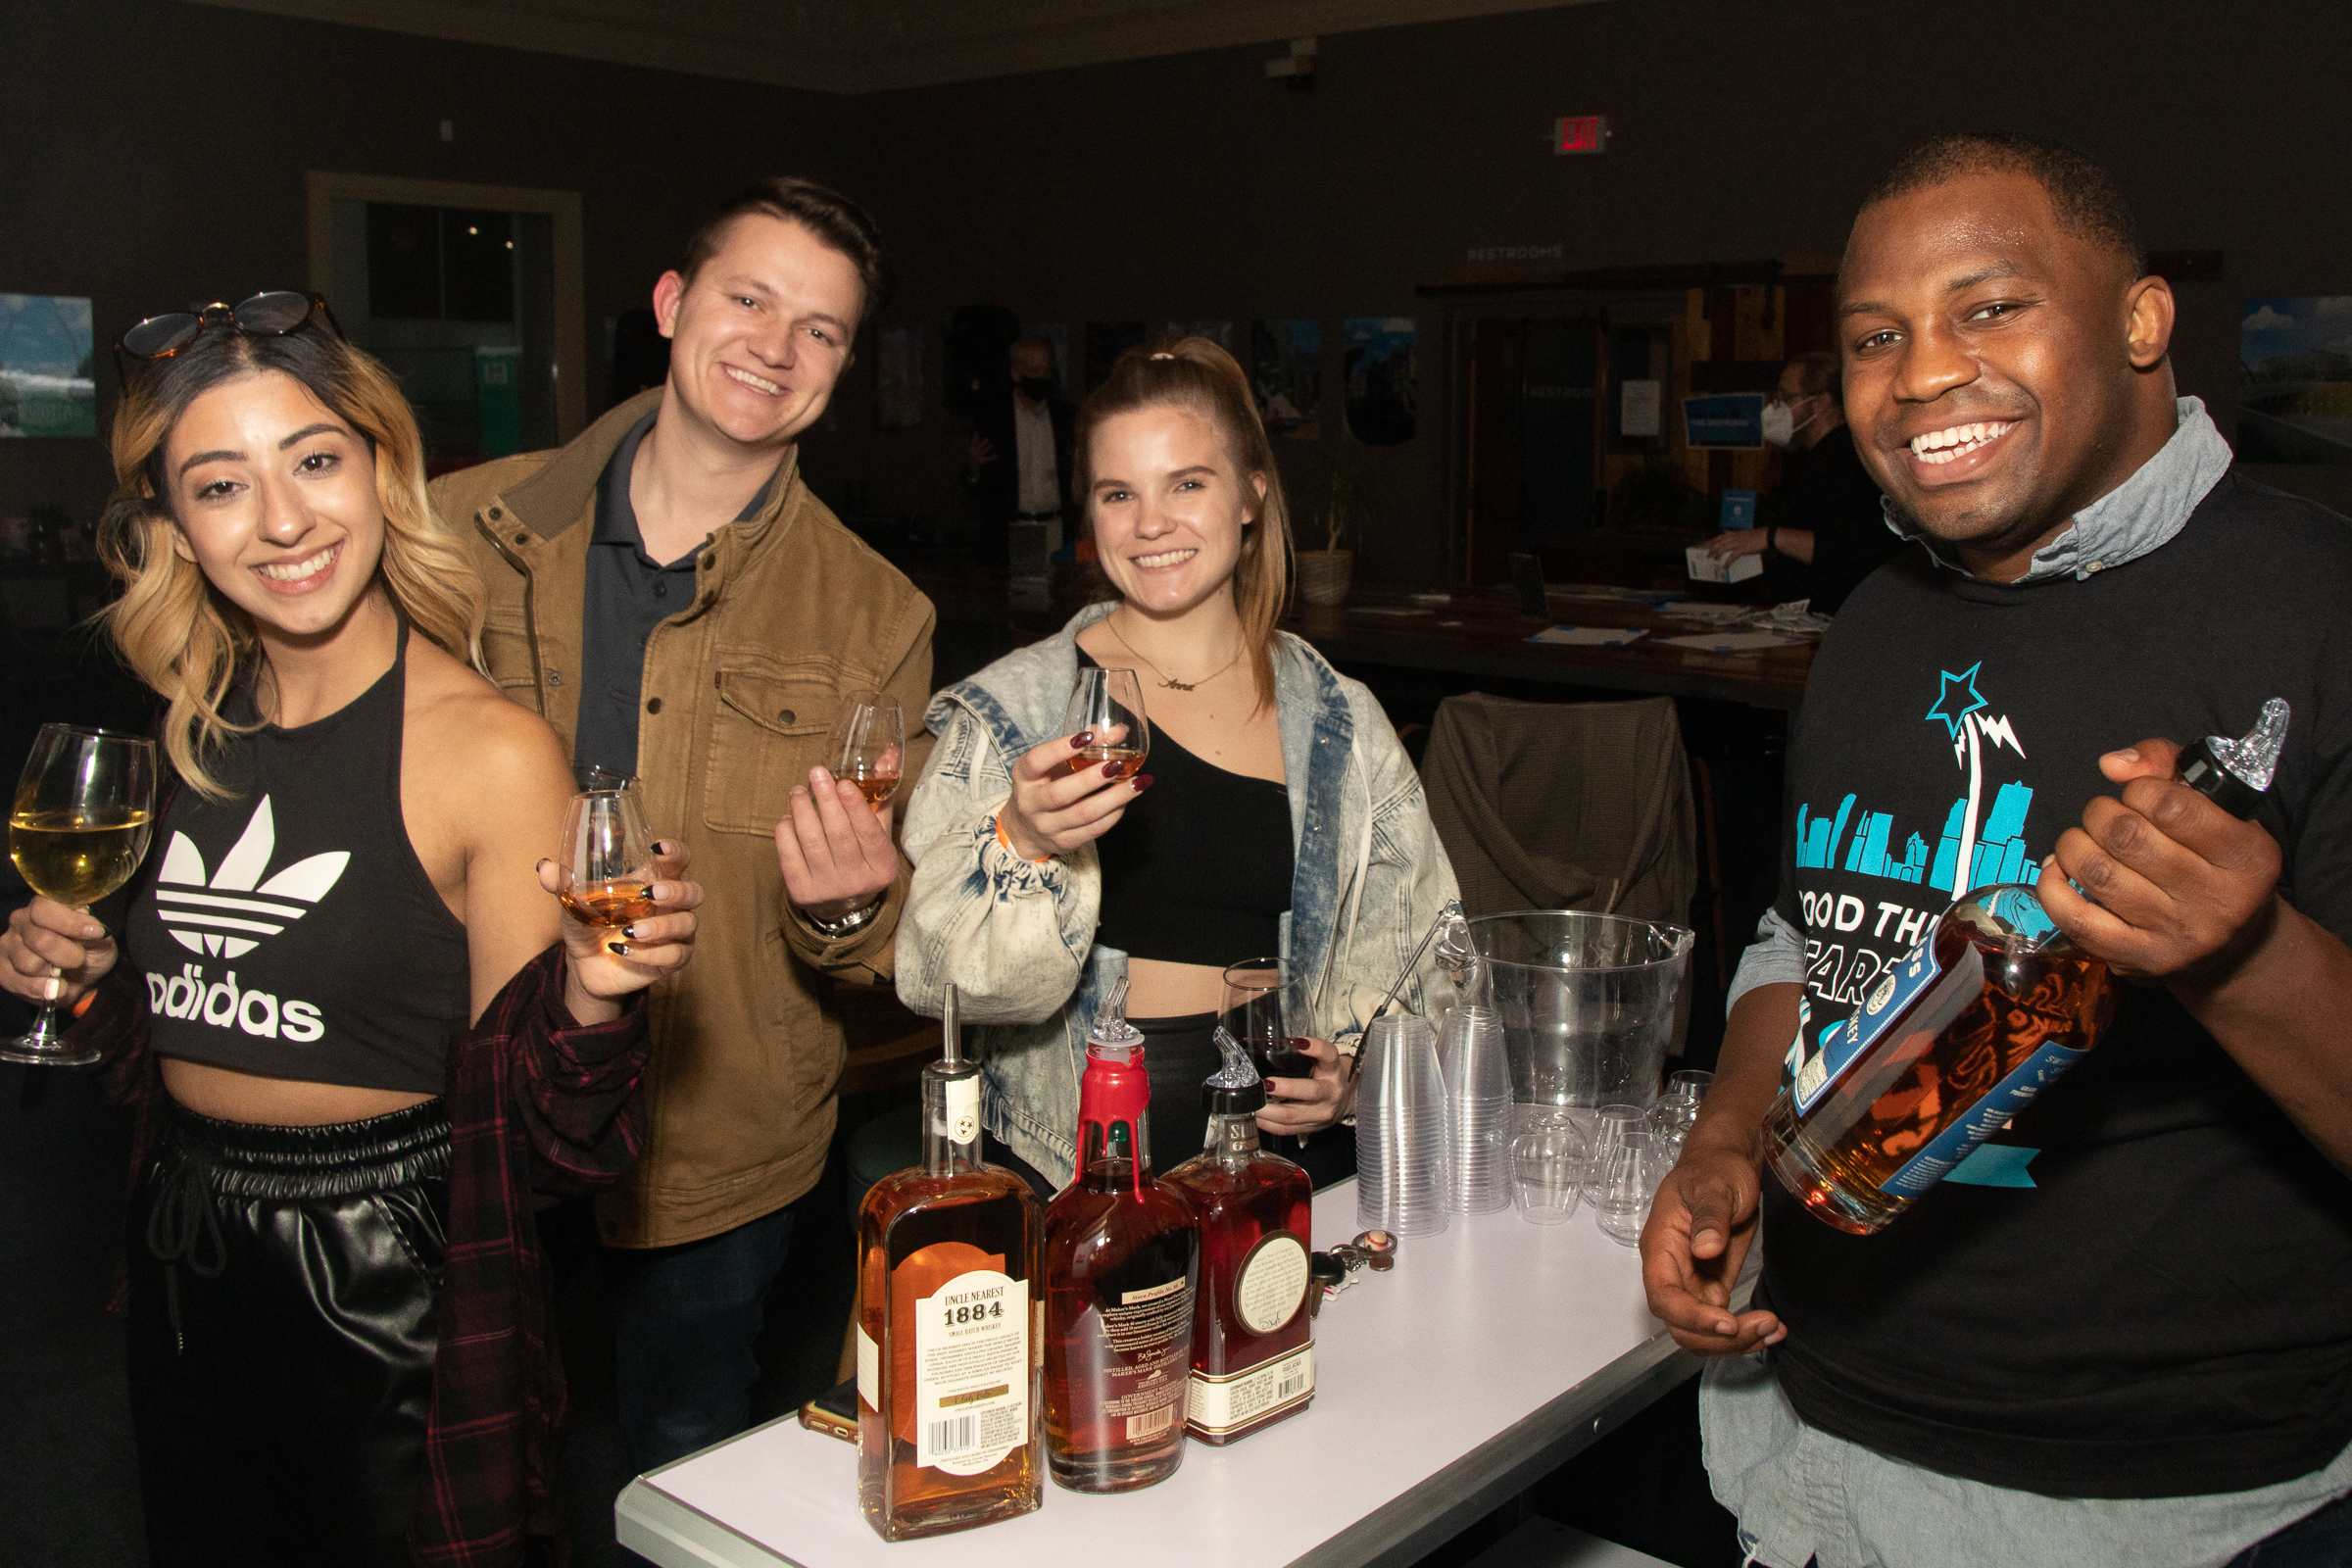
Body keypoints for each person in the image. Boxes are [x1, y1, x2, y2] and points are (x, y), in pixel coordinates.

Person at [1642, 133, 2352, 1567]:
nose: (1919, 376)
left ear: (2143, 321)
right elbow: (1813, 939)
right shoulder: (1880, 621)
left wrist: (2247, 956)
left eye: (1987, 308)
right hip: (1804, 1447)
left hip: (2161, 1513)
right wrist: (1725, 1143)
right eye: (1875, 338)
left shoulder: (2319, 611)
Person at [0, 294, 705, 1564]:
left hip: (389, 1278)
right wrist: (92, 975)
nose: (281, 521)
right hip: (182, 1242)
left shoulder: (490, 752)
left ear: (381, 467)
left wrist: (596, 1001)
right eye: (221, 486)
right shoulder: (182, 725)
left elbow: (549, 1158)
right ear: (171, 525)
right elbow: (207, 1005)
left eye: (315, 461)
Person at [431, 177, 936, 1474]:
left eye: (819, 329)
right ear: (671, 305)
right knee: (460, 1469)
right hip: (466, 1106)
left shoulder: (878, 617)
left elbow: (859, 946)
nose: (776, 346)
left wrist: (853, 899)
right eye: (749, 299)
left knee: (687, 1474)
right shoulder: (452, 536)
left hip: (715, 1143)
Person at [898, 337, 1459, 1191]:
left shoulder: (1337, 719)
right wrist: (1022, 840)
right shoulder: (1013, 714)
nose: (1150, 523)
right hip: (1079, 1150)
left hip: (1283, 1156)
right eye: (1119, 493)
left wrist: (1353, 1079)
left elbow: (1429, 961)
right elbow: (945, 987)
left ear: (1250, 495)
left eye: (1187, 483)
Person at [1703, 350, 1903, 612]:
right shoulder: (1823, 456)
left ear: (1820, 403)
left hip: (1833, 620)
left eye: (1786, 397)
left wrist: (1770, 537)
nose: (1776, 407)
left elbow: (1853, 552)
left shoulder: (1844, 459)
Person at [962, 334, 1077, 566]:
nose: (1042, 377)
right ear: (1016, 373)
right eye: (1035, 371)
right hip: (1010, 532)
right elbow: (973, 489)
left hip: (1057, 530)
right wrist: (973, 469)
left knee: (1058, 598)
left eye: (1046, 370)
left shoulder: (1066, 417)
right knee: (1017, 600)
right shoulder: (993, 419)